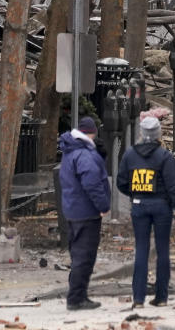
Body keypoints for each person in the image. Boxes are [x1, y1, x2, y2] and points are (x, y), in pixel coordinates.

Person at [117, 116, 175, 309]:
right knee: (162, 251)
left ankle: (138, 299)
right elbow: (174, 187)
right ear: (158, 135)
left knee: (141, 250)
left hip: (139, 205)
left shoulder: (130, 155)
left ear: (141, 133)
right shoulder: (165, 156)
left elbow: (121, 182)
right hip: (162, 207)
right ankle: (161, 297)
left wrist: (135, 194)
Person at [58, 116, 111, 311]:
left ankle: (77, 294)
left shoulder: (70, 151)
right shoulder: (84, 155)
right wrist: (104, 205)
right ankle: (76, 298)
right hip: (86, 212)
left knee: (77, 255)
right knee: (84, 256)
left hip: (72, 210)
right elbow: (92, 182)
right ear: (92, 133)